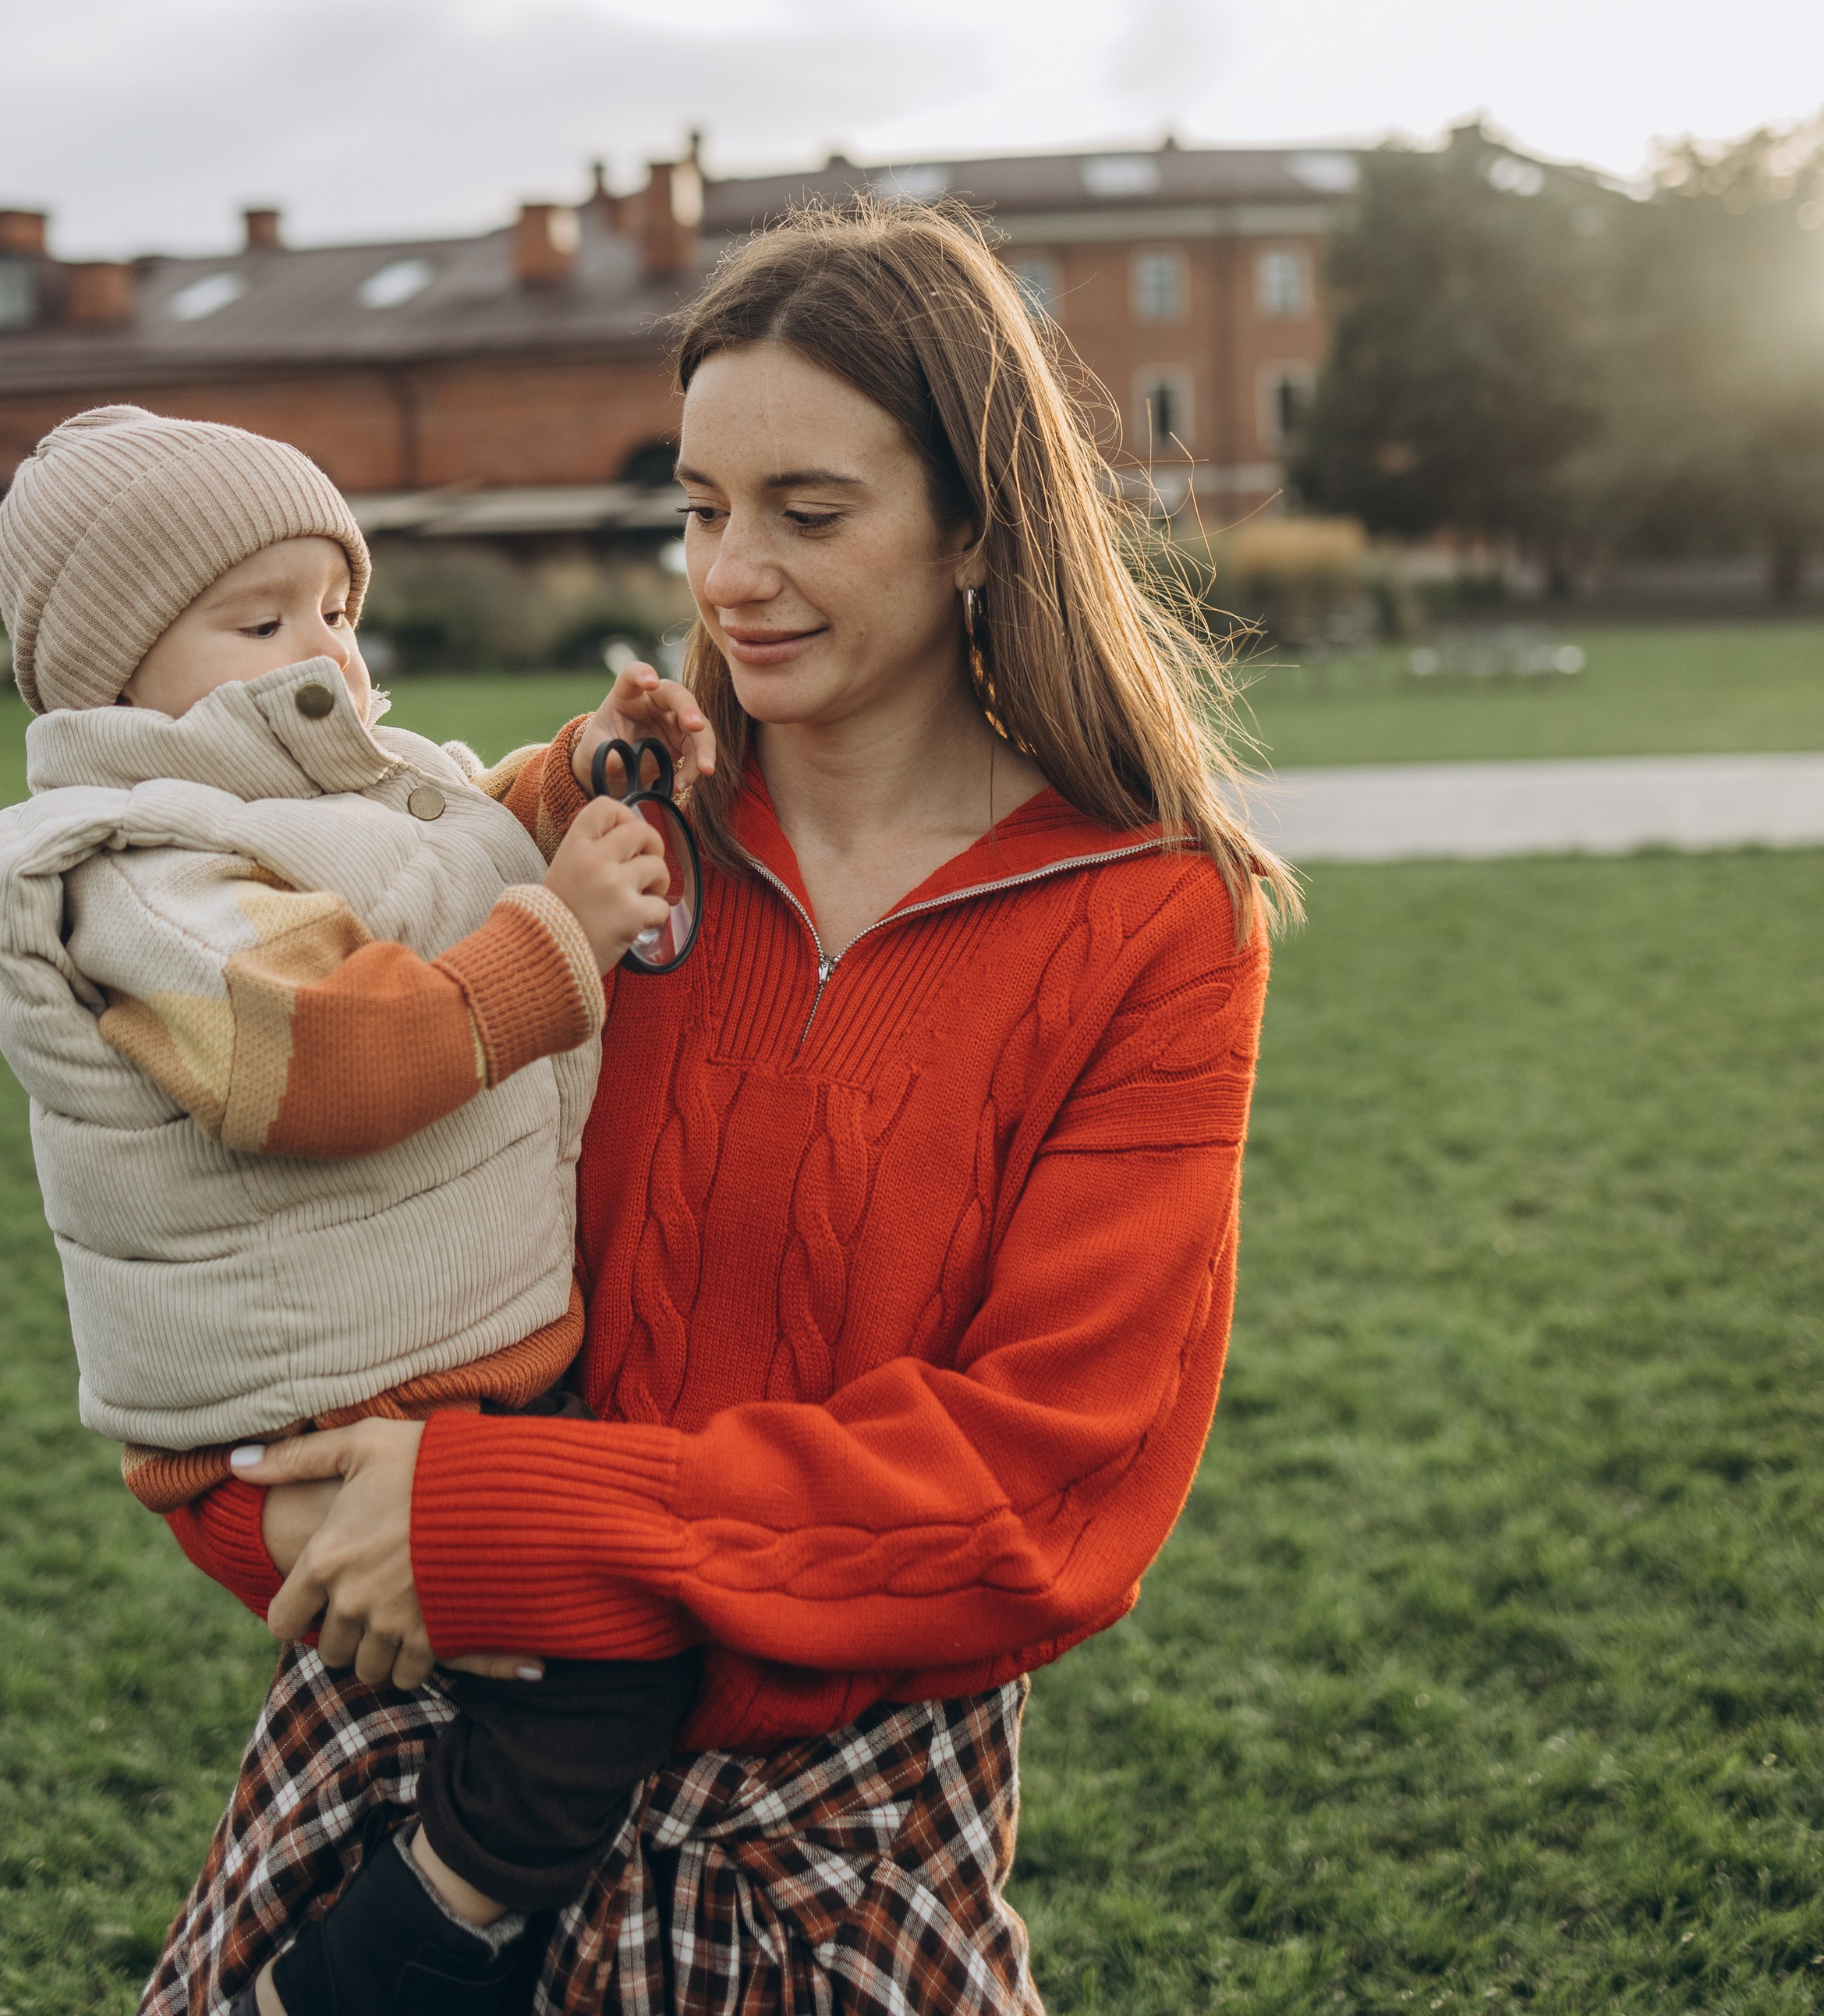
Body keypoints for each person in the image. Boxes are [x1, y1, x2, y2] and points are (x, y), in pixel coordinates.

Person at [147, 203, 1295, 2016]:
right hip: (433, 1773)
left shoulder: (1155, 922)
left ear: (979, 525)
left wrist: (505, 1519)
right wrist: (288, 1520)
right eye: (698, 509)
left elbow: (1042, 1480)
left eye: (807, 514)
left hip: (831, 1844)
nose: (730, 576)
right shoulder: (594, 847)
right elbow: (234, 1244)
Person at [0, 405, 714, 2014]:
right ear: (110, 675)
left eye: (338, 606)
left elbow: (443, 859)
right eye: (263, 618)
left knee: (591, 1634)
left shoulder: (310, 801)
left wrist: (573, 773)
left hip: (399, 1391)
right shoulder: (140, 873)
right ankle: (404, 1955)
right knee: (612, 1660)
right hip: (282, 1439)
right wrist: (557, 938)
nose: (325, 647)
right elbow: (321, 1060)